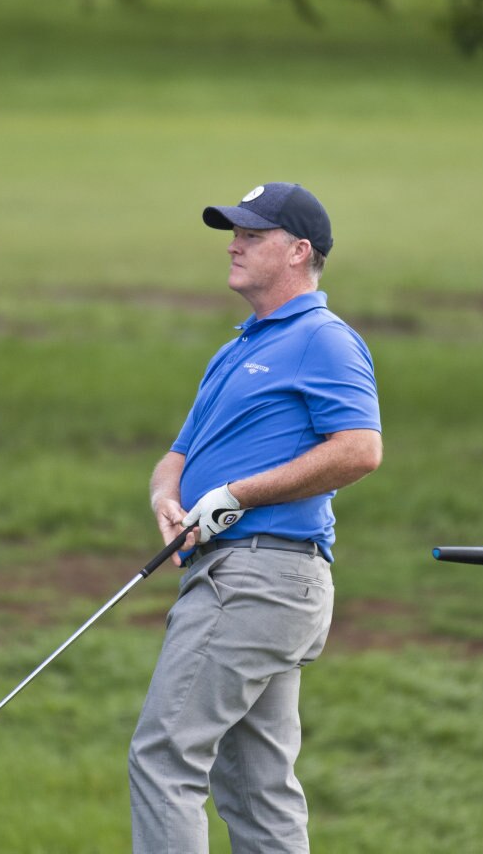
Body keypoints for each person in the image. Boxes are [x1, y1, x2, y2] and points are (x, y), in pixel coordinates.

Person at [129, 182, 383, 853]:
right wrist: (168, 495)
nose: (234, 243)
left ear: (300, 252)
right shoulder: (238, 347)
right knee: (256, 787)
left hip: (257, 575)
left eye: (253, 234)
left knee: (164, 758)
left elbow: (359, 449)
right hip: (249, 577)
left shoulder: (323, 340)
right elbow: (177, 455)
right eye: (233, 232)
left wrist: (238, 494)